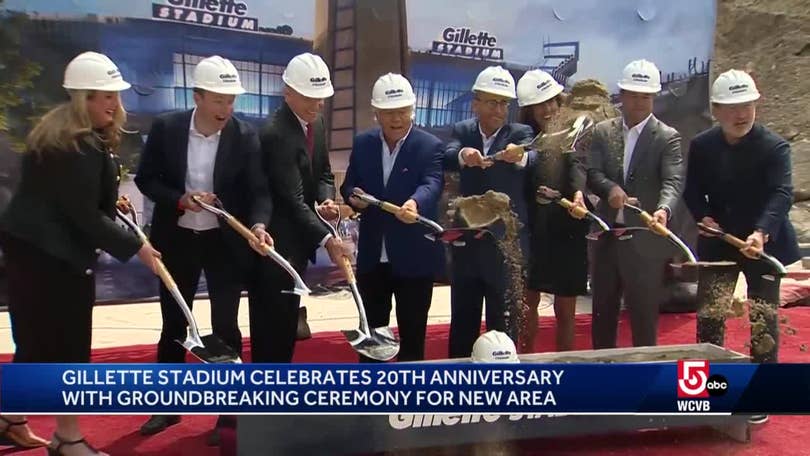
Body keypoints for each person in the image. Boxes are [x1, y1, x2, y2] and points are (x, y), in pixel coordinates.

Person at [0, 51, 161, 456]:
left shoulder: (60, 135)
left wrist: (111, 210)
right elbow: (84, 217)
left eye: (113, 95)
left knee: (36, 345)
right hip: (51, 261)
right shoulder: (77, 145)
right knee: (66, 349)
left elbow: (73, 203)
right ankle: (67, 439)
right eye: (100, 95)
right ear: (80, 98)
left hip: (32, 257)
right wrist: (140, 246)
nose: (112, 103)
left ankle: (9, 419)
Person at [134, 56, 272, 442]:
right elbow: (146, 179)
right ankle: (166, 406)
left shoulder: (245, 136)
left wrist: (258, 225)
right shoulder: (167, 129)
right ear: (197, 97)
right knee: (175, 324)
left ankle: (230, 413)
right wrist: (180, 199)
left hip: (223, 243)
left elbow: (259, 190)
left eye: (231, 101)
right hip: (176, 239)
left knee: (225, 326)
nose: (227, 109)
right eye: (219, 100)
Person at [684, 69, 799, 425]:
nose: (742, 114)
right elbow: (692, 191)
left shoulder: (774, 146)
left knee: (763, 316)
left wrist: (761, 232)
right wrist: (703, 217)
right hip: (719, 241)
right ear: (716, 109)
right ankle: (705, 392)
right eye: (733, 107)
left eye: (748, 105)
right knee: (711, 315)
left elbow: (782, 193)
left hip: (762, 242)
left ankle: (761, 393)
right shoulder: (703, 145)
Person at [250, 52, 350, 363]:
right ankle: (264, 397)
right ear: (288, 93)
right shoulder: (275, 133)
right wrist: (328, 238)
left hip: (300, 238)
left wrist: (326, 198)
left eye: (322, 98)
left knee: (288, 322)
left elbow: (321, 172)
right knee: (271, 327)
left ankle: (281, 389)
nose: (318, 105)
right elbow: (291, 198)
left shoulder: (315, 122)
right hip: (275, 244)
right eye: (310, 97)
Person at [340, 73, 444, 362]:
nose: (396, 119)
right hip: (373, 258)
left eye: (401, 111)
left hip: (414, 257)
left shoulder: (430, 145)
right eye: (388, 113)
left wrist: (415, 203)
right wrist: (353, 197)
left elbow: (432, 183)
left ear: (412, 110)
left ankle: (408, 403)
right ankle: (371, 402)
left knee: (412, 337)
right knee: (372, 337)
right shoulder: (363, 143)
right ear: (376, 114)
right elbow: (349, 184)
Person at [586, 59, 684, 349]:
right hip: (607, 237)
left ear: (653, 97)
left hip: (643, 237)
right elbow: (593, 173)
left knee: (643, 314)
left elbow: (673, 181)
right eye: (633, 95)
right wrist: (610, 189)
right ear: (622, 95)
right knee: (603, 311)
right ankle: (602, 371)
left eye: (646, 96)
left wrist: (663, 210)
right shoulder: (604, 132)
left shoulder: (667, 137)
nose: (639, 102)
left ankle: (645, 376)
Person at [443, 65, 534, 358]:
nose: (498, 109)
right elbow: (447, 154)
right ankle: (456, 385)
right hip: (468, 246)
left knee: (503, 323)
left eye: (504, 103)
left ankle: (504, 386)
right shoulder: (464, 131)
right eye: (492, 102)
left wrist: (519, 156)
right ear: (476, 103)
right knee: (463, 321)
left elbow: (532, 155)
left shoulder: (519, 132)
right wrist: (463, 155)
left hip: (504, 247)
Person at [515, 69, 589, 352]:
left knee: (566, 310)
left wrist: (579, 194)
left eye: (552, 102)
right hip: (534, 230)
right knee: (528, 303)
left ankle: (566, 368)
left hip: (569, 228)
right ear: (528, 109)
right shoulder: (522, 139)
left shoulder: (578, 132)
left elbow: (580, 168)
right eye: (540, 104)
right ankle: (525, 361)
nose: (548, 109)